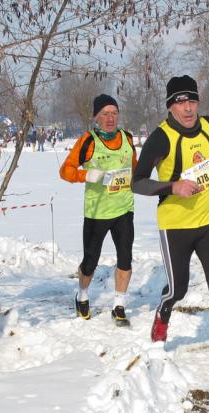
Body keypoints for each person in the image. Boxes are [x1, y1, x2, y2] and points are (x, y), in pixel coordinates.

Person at [131, 75, 209, 378]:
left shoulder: (208, 125)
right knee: (178, 288)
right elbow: (138, 182)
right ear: (170, 106)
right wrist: (172, 187)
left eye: (191, 100)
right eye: (180, 102)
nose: (187, 108)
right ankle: (163, 311)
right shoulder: (161, 138)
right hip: (176, 226)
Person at [59, 94, 137, 327]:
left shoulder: (127, 138)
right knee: (90, 261)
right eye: (105, 114)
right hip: (96, 212)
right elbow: (65, 171)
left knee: (125, 259)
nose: (110, 118)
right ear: (96, 117)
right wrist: (87, 175)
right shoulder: (88, 141)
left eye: (114, 113)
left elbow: (134, 168)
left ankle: (119, 305)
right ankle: (82, 296)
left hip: (124, 208)